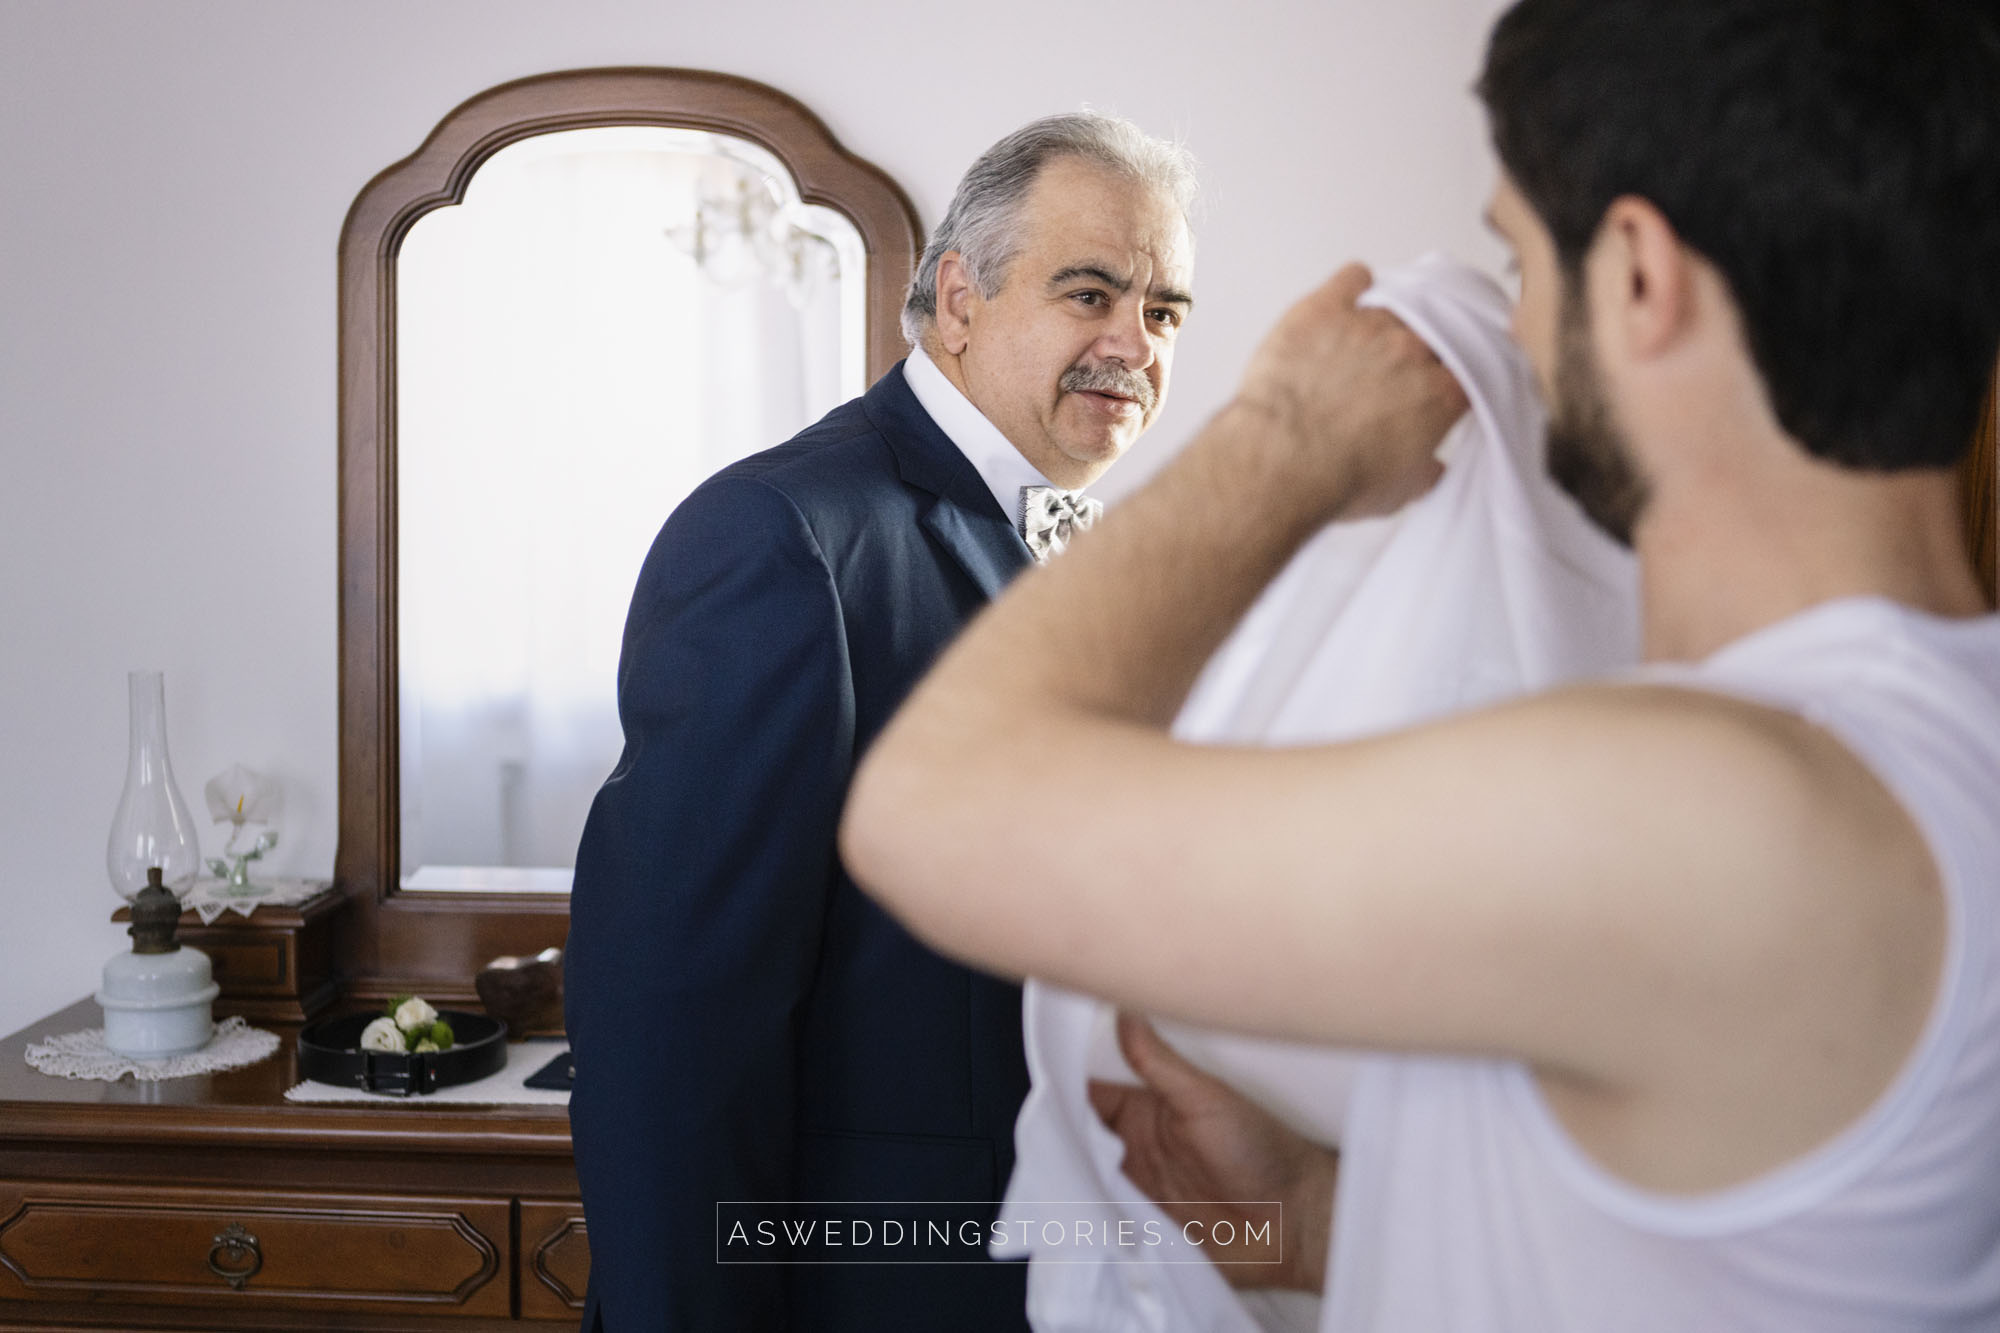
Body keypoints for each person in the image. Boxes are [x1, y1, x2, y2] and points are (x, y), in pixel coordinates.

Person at [841, 2, 2000, 1328]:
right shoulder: (1928, 746)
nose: (1512, 328)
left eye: (1518, 265)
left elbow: (939, 805)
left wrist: (1284, 439)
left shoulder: (1729, 805)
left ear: (1636, 277)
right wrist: (1313, 1214)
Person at [565, 112, 1197, 1332]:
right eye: (1090, 292)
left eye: (1164, 311)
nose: (1134, 342)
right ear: (957, 300)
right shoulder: (780, 539)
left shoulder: (1109, 553)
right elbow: (672, 1046)